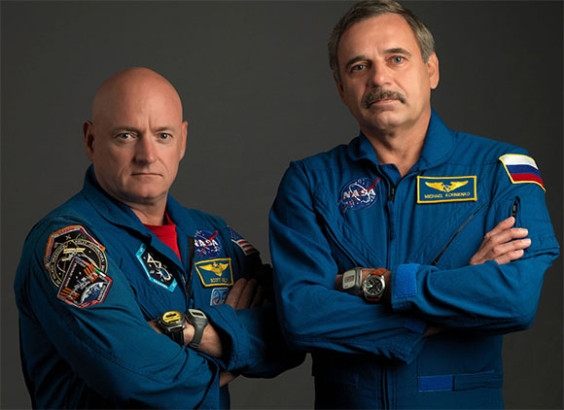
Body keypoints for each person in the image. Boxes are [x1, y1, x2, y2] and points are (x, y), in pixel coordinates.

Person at [269, 1, 559, 408]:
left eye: (396, 58)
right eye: (358, 66)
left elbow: (514, 299)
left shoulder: (500, 171)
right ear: (341, 88)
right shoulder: (309, 183)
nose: (379, 78)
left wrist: (391, 286)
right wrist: (457, 290)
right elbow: (302, 318)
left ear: (431, 70)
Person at [14, 67, 302, 409]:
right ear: (90, 140)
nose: (147, 155)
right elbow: (132, 376)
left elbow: (294, 330)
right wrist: (234, 350)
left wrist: (196, 331)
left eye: (162, 135)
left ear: (182, 140)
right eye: (126, 135)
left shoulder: (213, 234)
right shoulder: (67, 245)